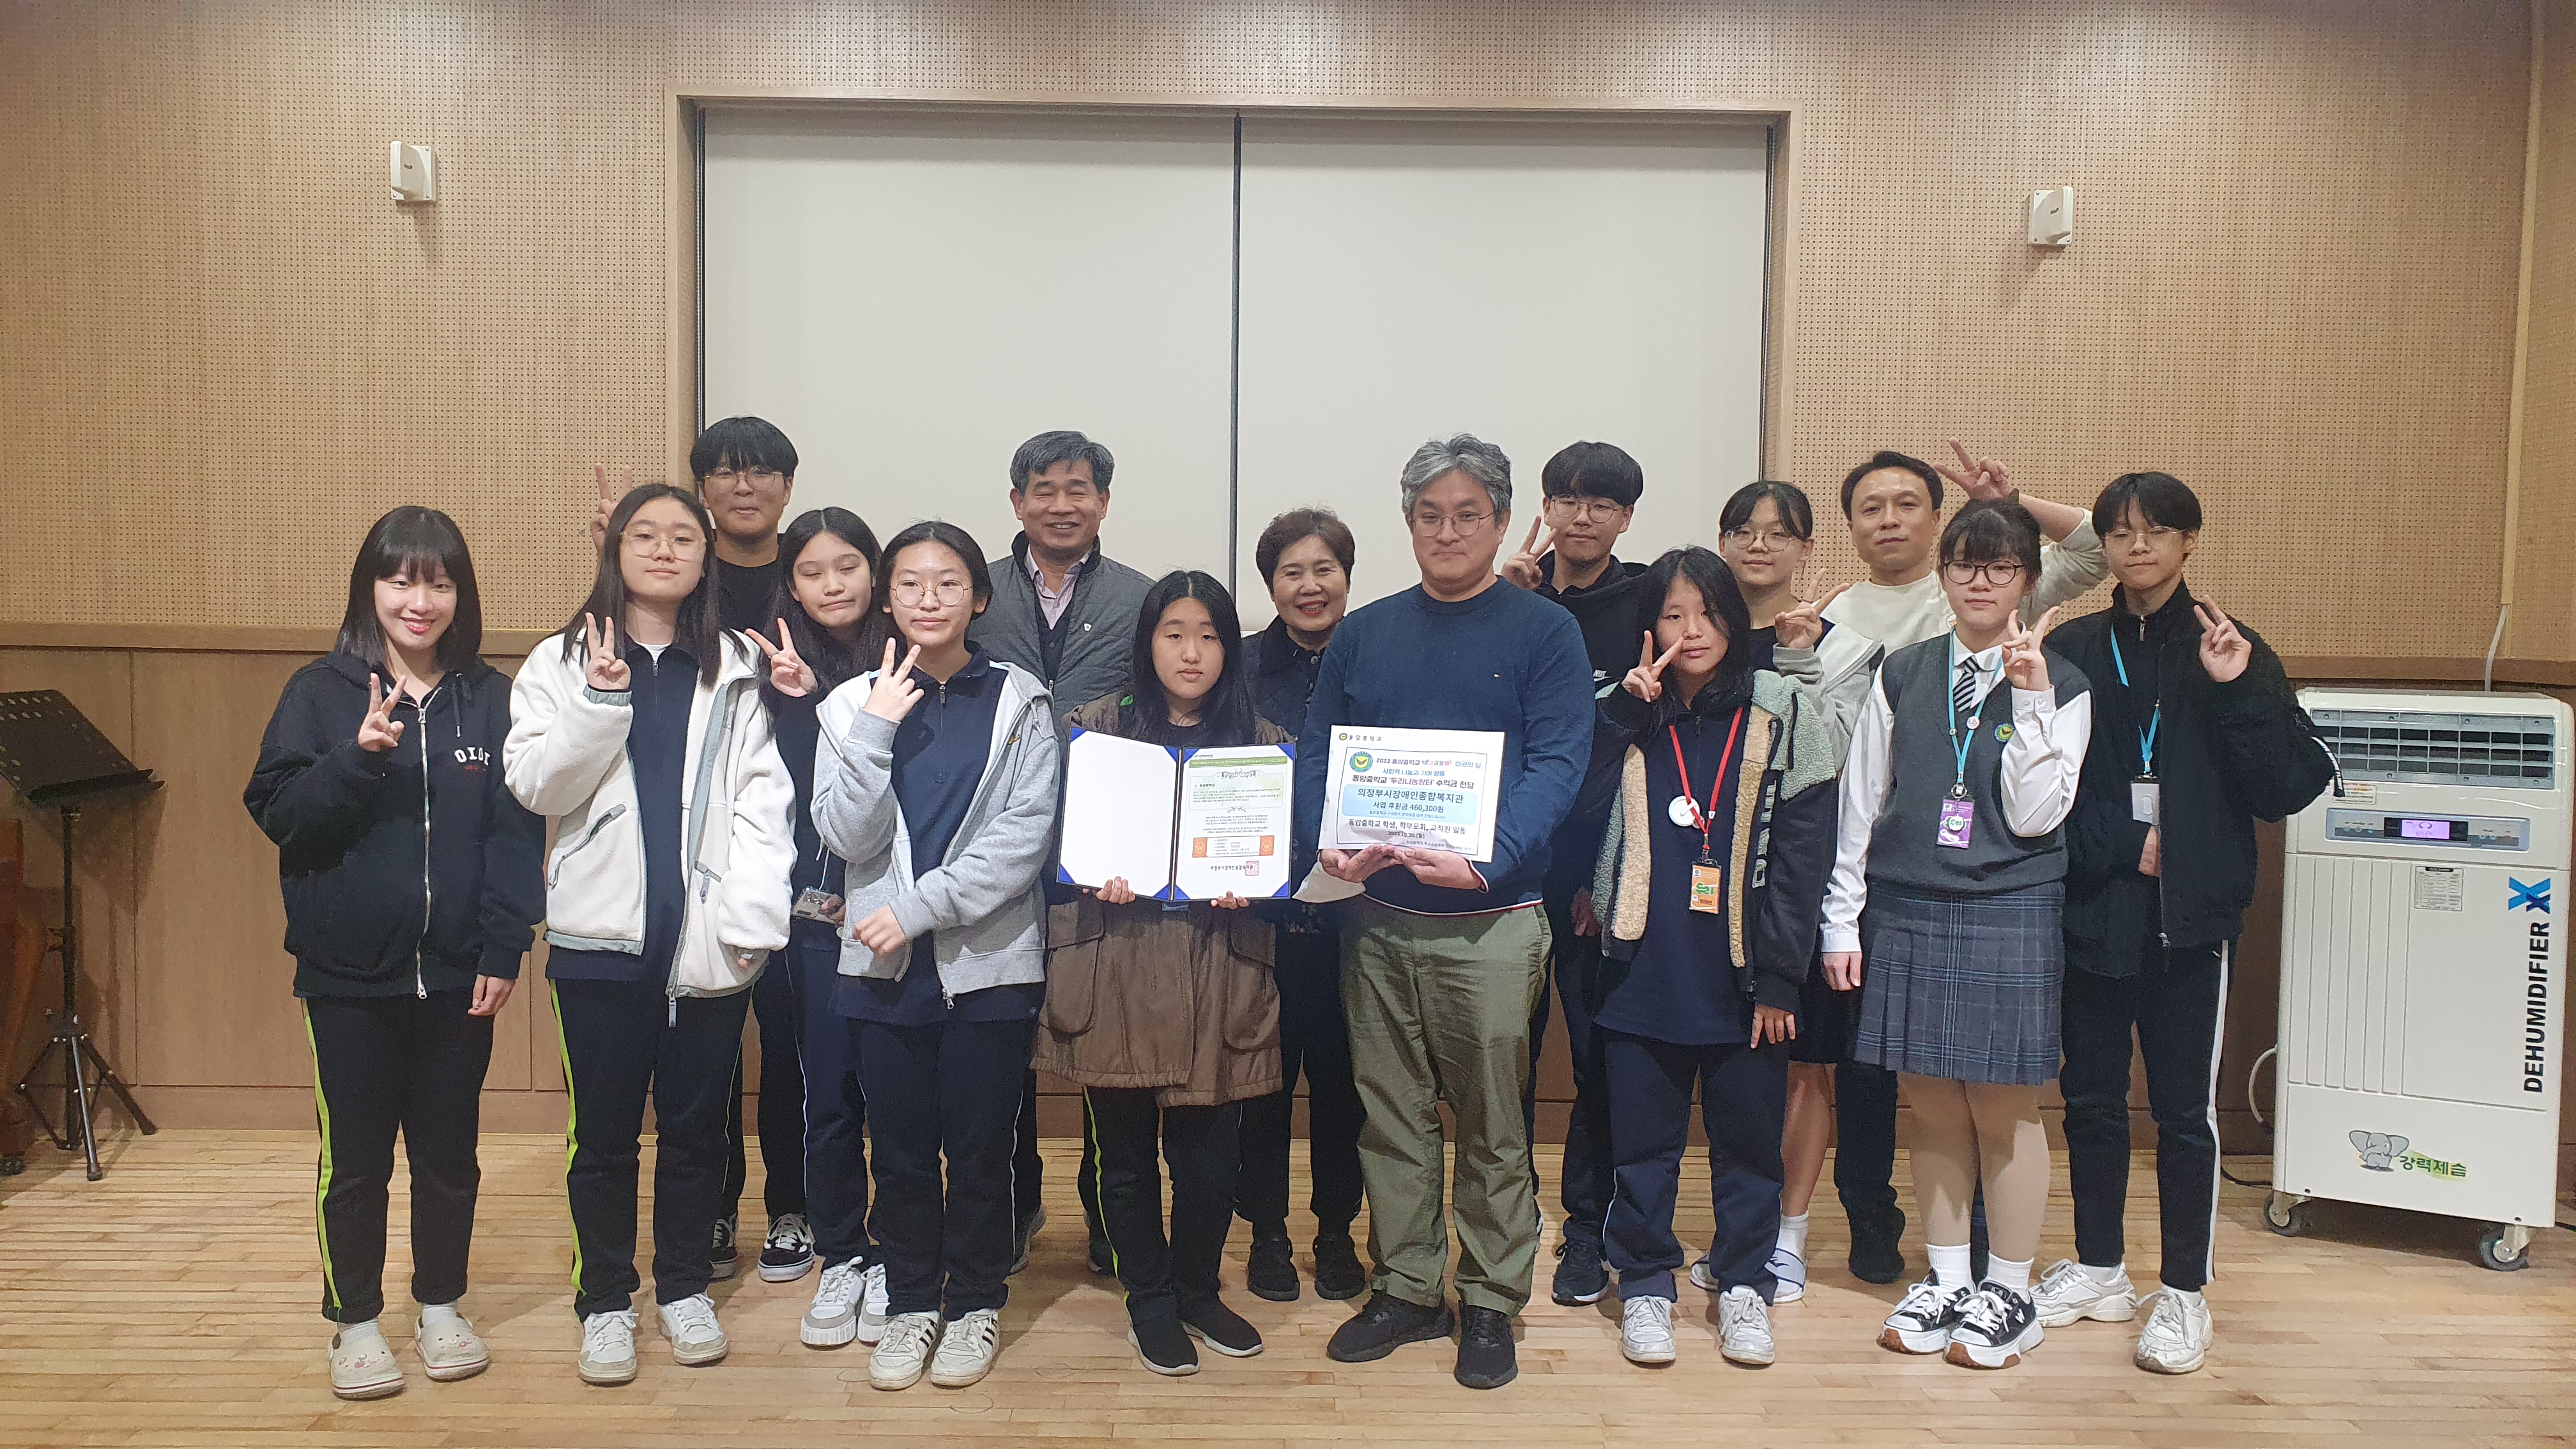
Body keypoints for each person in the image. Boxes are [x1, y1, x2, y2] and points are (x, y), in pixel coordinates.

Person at [1296, 434, 1594, 1391]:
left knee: (1494, 1123)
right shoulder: (1366, 632)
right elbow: (1320, 752)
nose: (1448, 531)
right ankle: (1408, 1286)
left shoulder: (1545, 632)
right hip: (1378, 919)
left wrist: (1490, 856)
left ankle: (1492, 1297)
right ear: (1408, 523)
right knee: (1391, 1117)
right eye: (1430, 515)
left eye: (1469, 514)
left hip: (1493, 921)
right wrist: (1328, 841)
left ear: (1500, 523)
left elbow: (1559, 761)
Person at [244, 507, 545, 1400]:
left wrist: (505, 945)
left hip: (459, 973)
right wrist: (356, 758)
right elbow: (279, 813)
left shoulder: (490, 698)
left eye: (439, 583)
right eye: (402, 580)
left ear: (462, 594)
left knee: (449, 1156)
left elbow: (514, 836)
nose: (420, 601)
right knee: (357, 1162)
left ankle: (442, 1306)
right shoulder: (319, 691)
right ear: (369, 588)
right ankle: (356, 1321)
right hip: (347, 978)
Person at [2035, 473, 2333, 1375]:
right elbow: (2045, 794)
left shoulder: (2231, 647)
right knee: (2089, 1103)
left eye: (2157, 531)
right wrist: (2129, 845)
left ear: (2189, 542)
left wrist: (2237, 690)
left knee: (2183, 1116)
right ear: (2104, 546)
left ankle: (2184, 1293)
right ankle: (2098, 1268)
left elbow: (2288, 788)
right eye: (2121, 533)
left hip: (2190, 923)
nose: (2138, 547)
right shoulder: (2074, 646)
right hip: (2095, 906)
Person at [505, 484, 797, 1386]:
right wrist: (599, 703)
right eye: (645, 535)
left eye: (683, 538)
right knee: (601, 1139)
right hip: (598, 946)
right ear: (614, 548)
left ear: (707, 559)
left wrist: (754, 919)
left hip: (710, 944)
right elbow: (536, 786)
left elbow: (764, 803)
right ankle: (604, 1302)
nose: (665, 550)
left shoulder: (735, 664)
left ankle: (683, 1289)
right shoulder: (561, 659)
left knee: (697, 1133)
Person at [1818, 441, 2108, 1285]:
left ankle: (2006, 1289)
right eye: (1965, 568)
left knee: (2005, 1108)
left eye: (2001, 568)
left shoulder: (2062, 682)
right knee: (1933, 1107)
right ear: (1943, 577)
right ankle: (1946, 1283)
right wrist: (1842, 920)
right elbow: (1862, 801)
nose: (1981, 583)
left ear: (2027, 580)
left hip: (2007, 904)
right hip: (1906, 901)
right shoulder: (1905, 671)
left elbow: (2035, 814)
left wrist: (2031, 697)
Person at [812, 521, 1062, 1393]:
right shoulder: (850, 704)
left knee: (982, 1151)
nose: (929, 599)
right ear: (887, 599)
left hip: (989, 965)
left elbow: (1022, 842)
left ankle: (976, 1303)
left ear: (979, 598)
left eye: (948, 583)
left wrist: (918, 910)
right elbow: (847, 836)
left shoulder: (1021, 700)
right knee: (901, 1153)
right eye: (910, 584)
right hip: (880, 972)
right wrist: (875, 729)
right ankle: (914, 1301)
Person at [1585, 548, 1838, 1369]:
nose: (1691, 632)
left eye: (1709, 613)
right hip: (1642, 966)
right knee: (1642, 1149)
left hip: (1744, 975)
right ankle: (1645, 1285)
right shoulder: (1629, 711)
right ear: (1648, 627)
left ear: (1734, 619)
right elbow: (1574, 809)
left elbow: (1803, 857)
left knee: (1749, 1150)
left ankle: (1743, 1286)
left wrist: (1781, 977)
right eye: (1672, 615)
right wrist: (1621, 718)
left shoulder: (1780, 711)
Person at [1038, 571, 1287, 1376]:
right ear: (1147, 642)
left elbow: (1282, 872)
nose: (1191, 652)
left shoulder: (1263, 743)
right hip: (1117, 960)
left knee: (1210, 1161)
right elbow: (1052, 850)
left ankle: (1197, 1290)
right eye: (1174, 634)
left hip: (1219, 967)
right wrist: (1091, 873)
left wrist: (1255, 887)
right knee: (1125, 1156)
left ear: (1229, 648)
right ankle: (1148, 1298)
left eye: (1209, 636)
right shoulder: (1095, 730)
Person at [586, 415, 811, 1280]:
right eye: (723, 472)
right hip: (691, 850)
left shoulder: (813, 570)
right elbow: (618, 664)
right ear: (703, 487)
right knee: (703, 1054)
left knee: (789, 1047)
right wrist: (610, 564)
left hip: (798, 844)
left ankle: (792, 1206)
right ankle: (713, 1211)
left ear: (788, 485)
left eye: (761, 472)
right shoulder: (677, 580)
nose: (743, 486)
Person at [967, 429, 1153, 1276]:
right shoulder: (974, 591)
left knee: (1100, 1037)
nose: (1062, 504)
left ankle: (1108, 1217)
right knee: (1000, 1036)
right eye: (1044, 489)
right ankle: (1013, 1203)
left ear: (1104, 502)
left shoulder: (1141, 600)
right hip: (992, 844)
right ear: (1017, 502)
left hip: (1102, 850)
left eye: (1079, 489)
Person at [1711, 480, 1876, 1306]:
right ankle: (1734, 1229)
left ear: (1808, 549)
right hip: (1707, 885)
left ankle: (1787, 1236)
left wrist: (1801, 657)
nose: (1759, 545)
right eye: (1743, 529)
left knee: (1808, 1064)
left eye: (1779, 533)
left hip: (1800, 880)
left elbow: (1840, 758)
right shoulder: (1696, 633)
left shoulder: (1846, 649)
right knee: (1723, 1058)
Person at [1497, 440, 1648, 1308]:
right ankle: (1509, 1208)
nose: (1581, 517)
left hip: (1600, 868)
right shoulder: (1508, 600)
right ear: (1545, 508)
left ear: (1626, 517)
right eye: (1567, 499)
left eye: (1602, 504)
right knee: (1505, 1051)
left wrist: (1610, 869)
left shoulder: (1647, 603)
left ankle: (1588, 1229)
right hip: (1511, 863)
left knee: (1596, 1055)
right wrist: (1506, 604)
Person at [744, 509, 896, 1351]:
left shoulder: (905, 659)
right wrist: (796, 701)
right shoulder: (766, 665)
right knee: (815, 1082)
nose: (833, 584)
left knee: (896, 1089)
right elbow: (791, 796)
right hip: (801, 912)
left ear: (875, 572)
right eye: (812, 571)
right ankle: (835, 1242)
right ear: (790, 585)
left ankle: (896, 1244)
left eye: (848, 566)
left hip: (896, 909)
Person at [1231, 509, 1369, 1304]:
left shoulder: (1378, 654)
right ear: (1271, 584)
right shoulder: (1241, 666)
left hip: (1359, 917)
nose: (1310, 586)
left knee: (1345, 1087)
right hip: (1260, 916)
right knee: (1263, 1086)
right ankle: (1269, 1236)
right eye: (1292, 572)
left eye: (1325, 569)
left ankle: (1337, 1232)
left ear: (1347, 576)